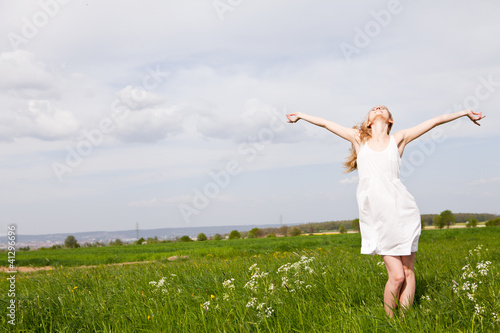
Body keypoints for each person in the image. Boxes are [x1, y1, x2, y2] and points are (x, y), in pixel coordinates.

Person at [286, 106, 485, 316]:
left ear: (390, 120)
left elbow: (435, 120)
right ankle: (390, 322)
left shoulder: (398, 139)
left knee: (408, 272)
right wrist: (301, 116)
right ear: (368, 122)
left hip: (403, 209)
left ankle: (404, 321)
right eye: (373, 109)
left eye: (383, 108)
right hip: (378, 216)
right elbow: (326, 123)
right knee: (397, 276)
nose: (378, 108)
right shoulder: (358, 139)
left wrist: (464, 113)